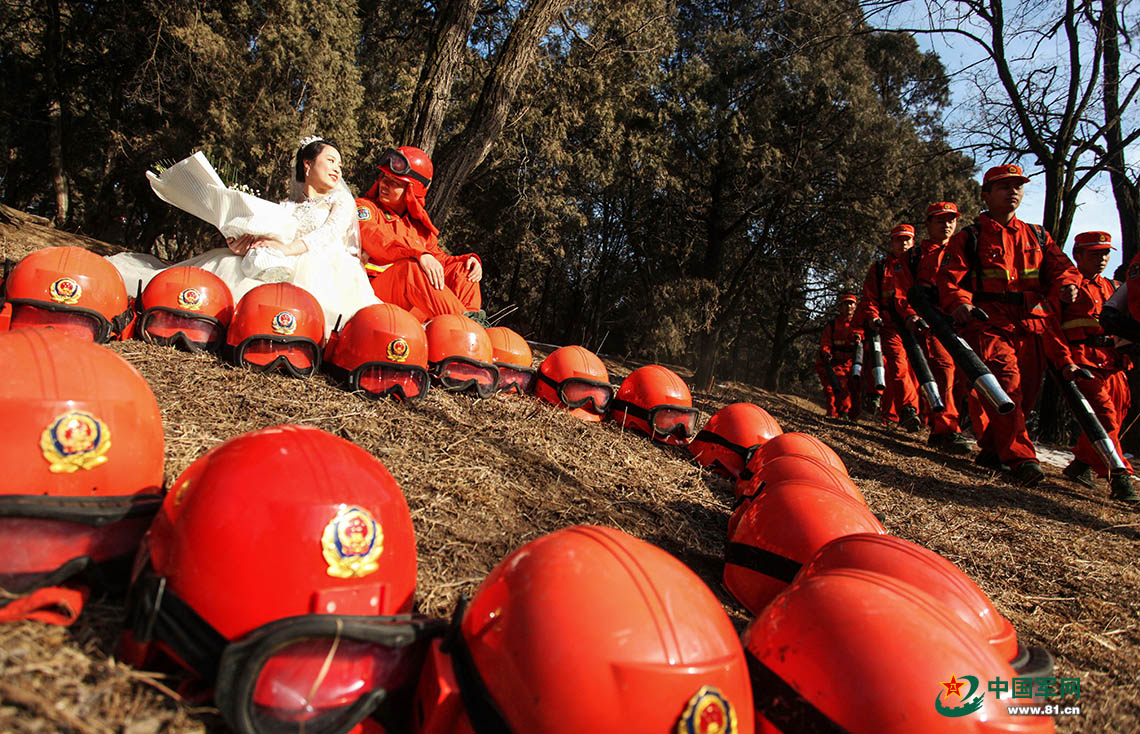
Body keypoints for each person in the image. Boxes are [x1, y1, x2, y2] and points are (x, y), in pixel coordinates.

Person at [110, 137, 378, 337]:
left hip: (324, 266)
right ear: (307, 164)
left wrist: (284, 249)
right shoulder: (287, 207)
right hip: (278, 258)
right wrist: (243, 245)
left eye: (339, 164)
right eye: (331, 160)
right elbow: (266, 237)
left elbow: (327, 234)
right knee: (226, 261)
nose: (337, 168)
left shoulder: (341, 200)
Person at [937, 164, 1083, 486]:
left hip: (1032, 325)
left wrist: (1068, 284)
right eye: (1004, 186)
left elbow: (1063, 268)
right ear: (986, 195)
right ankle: (1022, 459)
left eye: (1017, 185)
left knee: (1025, 396)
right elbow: (949, 279)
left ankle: (993, 448)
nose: (1013, 191)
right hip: (990, 323)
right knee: (1007, 386)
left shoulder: (1038, 236)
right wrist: (960, 303)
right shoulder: (970, 237)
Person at [355, 146, 484, 322]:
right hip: (371, 297)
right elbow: (375, 237)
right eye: (384, 177)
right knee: (411, 269)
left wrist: (469, 260)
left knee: (463, 269)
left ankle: (472, 325)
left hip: (410, 306)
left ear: (412, 190)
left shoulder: (418, 229)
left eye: (395, 182)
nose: (385, 184)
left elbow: (440, 261)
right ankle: (466, 327)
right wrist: (417, 252)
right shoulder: (365, 208)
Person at [1056, 232, 1138, 501]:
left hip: (1113, 362)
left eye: (1105, 253)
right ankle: (1120, 477)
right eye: (1094, 253)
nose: (1102, 258)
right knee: (1104, 415)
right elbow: (1051, 328)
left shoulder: (1115, 287)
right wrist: (1064, 361)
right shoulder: (1066, 288)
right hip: (1082, 360)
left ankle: (1081, 464)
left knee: (1117, 414)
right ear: (1077, 255)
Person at [892, 202, 971, 454]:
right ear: (927, 225)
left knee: (965, 380)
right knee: (944, 371)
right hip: (934, 323)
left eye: (951, 220)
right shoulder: (914, 258)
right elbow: (902, 291)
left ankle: (942, 429)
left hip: (966, 322)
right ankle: (947, 429)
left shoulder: (966, 250)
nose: (947, 225)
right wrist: (911, 315)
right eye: (940, 220)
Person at [858, 224, 922, 432]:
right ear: (891, 243)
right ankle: (908, 410)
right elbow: (870, 297)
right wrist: (873, 316)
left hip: (919, 325)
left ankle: (913, 415)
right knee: (897, 365)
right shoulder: (879, 268)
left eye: (907, 239)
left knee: (918, 370)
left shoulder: (921, 265)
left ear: (913, 241)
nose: (903, 243)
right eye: (898, 240)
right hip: (891, 326)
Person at [817, 294, 863, 420]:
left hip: (853, 362)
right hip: (835, 362)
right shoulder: (832, 325)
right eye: (845, 304)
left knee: (855, 389)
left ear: (855, 306)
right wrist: (826, 353)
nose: (849, 306)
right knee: (837, 387)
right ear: (840, 307)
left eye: (851, 303)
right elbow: (825, 342)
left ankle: (853, 417)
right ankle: (839, 414)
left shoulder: (859, 324)